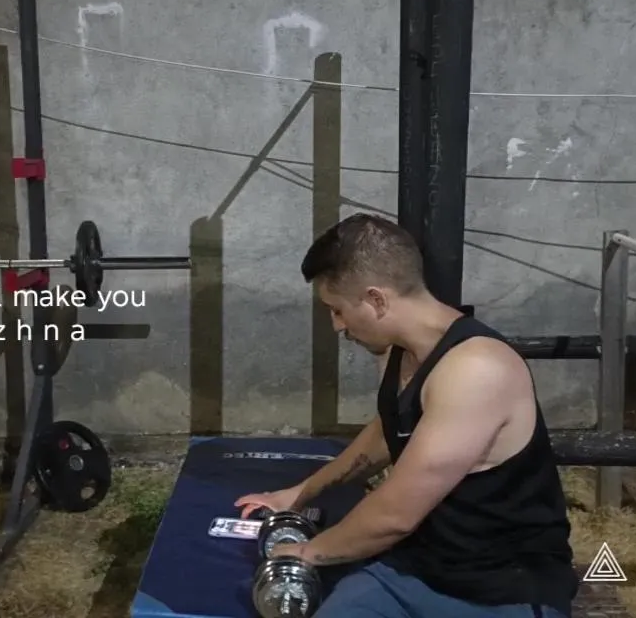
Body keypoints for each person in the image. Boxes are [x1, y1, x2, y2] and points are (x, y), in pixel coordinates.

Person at [235, 213, 576, 618]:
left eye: (337, 310)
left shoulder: (476, 369)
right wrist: (300, 493)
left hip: (500, 590)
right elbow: (387, 432)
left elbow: (395, 515)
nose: (337, 326)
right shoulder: (401, 350)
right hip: (415, 567)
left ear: (376, 300)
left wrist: (308, 552)